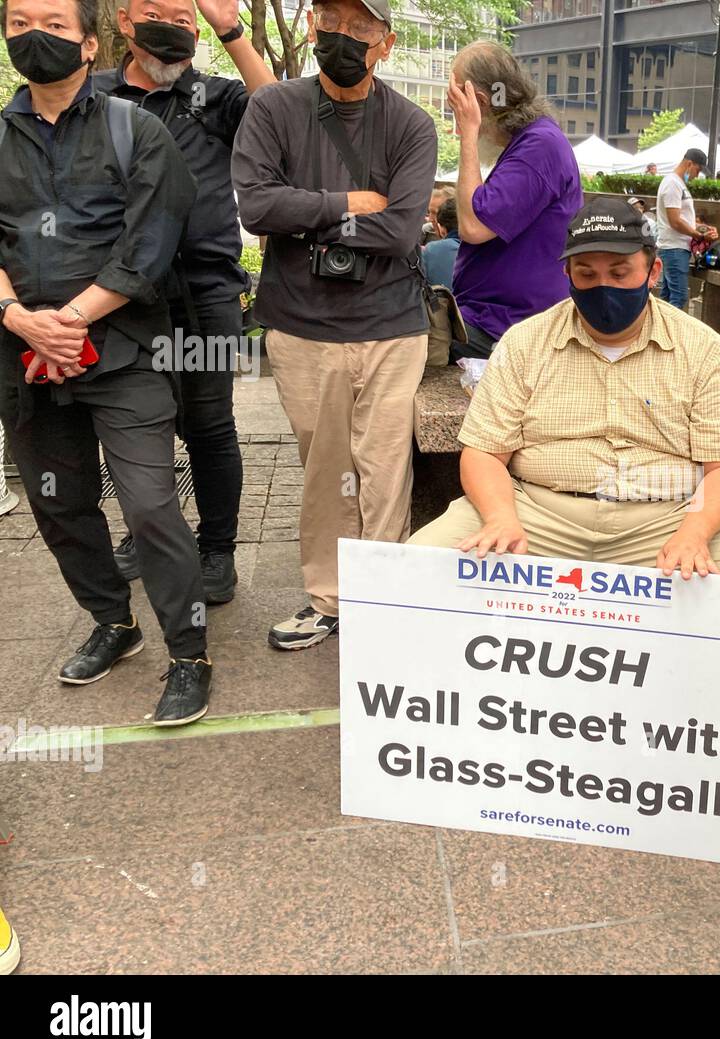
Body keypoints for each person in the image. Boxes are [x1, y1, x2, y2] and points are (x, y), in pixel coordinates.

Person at [0, 0, 211, 724]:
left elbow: (151, 242)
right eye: (20, 21)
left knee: (150, 506)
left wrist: (70, 320)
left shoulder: (136, 129)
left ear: (92, 44)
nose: (35, 35)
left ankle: (189, 652)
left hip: (123, 354)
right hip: (23, 357)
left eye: (54, 24)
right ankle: (113, 623)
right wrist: (19, 317)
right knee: (59, 506)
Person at [408, 199, 720, 582]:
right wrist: (501, 517)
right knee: (418, 568)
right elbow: (483, 451)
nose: (604, 287)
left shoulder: (704, 349)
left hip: (669, 518)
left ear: (653, 272)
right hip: (535, 510)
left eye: (620, 273)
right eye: (586, 274)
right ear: (567, 273)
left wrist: (694, 533)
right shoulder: (523, 343)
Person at [231, 0, 438, 650]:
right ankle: (328, 597)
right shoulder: (273, 109)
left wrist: (311, 217)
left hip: (390, 325)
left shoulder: (410, 124)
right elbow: (258, 205)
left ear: (386, 43)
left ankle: (387, 599)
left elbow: (403, 226)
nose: (340, 37)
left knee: (382, 466)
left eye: (359, 29)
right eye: (331, 22)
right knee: (325, 466)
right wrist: (346, 204)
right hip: (301, 324)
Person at [97, 0, 277, 607]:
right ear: (124, 21)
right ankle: (147, 533)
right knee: (132, 422)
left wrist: (232, 30)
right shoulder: (95, 98)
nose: (171, 29)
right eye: (156, 14)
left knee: (208, 422)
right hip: (116, 295)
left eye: (184, 21)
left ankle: (217, 547)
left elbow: (279, 110)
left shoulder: (215, 97)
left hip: (206, 291)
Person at [445, 40, 582, 361]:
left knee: (397, 343)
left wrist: (468, 133)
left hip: (506, 325)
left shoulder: (539, 146)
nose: (455, 115)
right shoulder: (530, 143)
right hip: (494, 317)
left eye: (456, 104)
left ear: (478, 101)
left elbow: (474, 226)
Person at [655, 147, 717, 310]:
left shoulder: (677, 183)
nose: (698, 175)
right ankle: (671, 334)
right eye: (698, 170)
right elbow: (675, 221)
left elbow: (683, 219)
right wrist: (699, 235)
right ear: (689, 164)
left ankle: (662, 332)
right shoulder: (673, 184)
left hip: (675, 248)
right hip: (674, 248)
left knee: (667, 297)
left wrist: (703, 229)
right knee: (679, 297)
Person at [421, 195, 459, 289]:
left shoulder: (431, 250)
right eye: (429, 212)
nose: (431, 219)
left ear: (442, 229)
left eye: (435, 213)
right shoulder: (491, 249)